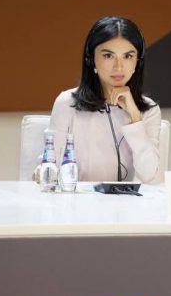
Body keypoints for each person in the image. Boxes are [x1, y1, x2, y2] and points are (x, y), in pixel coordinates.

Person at [47, 16, 162, 183]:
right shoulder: (67, 104)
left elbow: (149, 176)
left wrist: (135, 119)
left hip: (128, 201)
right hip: (76, 199)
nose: (119, 66)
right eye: (108, 55)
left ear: (138, 61)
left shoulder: (149, 110)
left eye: (128, 56)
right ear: (91, 59)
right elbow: (52, 168)